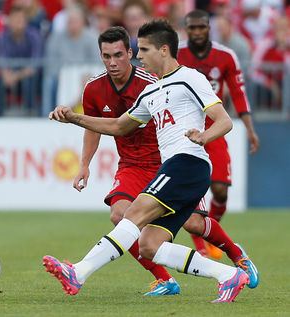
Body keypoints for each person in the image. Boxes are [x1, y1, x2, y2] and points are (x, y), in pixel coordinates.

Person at [44, 19, 255, 303]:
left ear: (164, 50)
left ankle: (78, 272)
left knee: (133, 216)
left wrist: (203, 137)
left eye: (143, 49)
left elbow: (224, 121)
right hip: (171, 167)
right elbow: (119, 126)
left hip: (186, 163)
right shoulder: (150, 92)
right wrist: (74, 118)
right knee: (149, 245)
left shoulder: (190, 78)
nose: (138, 56)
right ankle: (228, 276)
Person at [178, 9, 260, 259]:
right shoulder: (177, 53)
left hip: (214, 128)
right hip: (183, 129)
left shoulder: (225, 56)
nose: (197, 32)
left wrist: (249, 128)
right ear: (187, 29)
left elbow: (238, 92)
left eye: (201, 27)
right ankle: (203, 246)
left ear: (208, 28)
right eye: (192, 27)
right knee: (191, 190)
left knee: (221, 188)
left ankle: (210, 231)